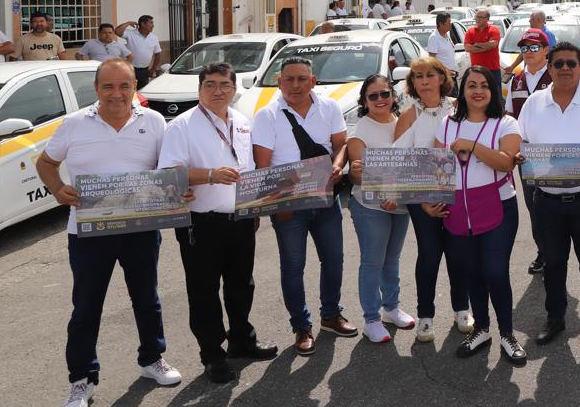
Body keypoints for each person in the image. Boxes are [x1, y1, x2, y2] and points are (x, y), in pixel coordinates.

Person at [36, 59, 180, 407]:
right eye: (108, 87)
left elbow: (168, 169)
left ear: (136, 87)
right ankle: (82, 377)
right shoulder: (73, 124)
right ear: (96, 89)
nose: (117, 94)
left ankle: (152, 359)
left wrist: (176, 191)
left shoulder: (154, 122)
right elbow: (45, 163)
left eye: (125, 86)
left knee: (146, 298)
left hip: (141, 228)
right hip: (88, 232)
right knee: (87, 306)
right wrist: (57, 190)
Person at [158, 61, 277, 384]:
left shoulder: (241, 121)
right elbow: (169, 174)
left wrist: (252, 210)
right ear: (199, 89)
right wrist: (209, 175)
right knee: (204, 292)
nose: (217, 91)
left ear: (234, 88)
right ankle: (212, 354)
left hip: (239, 218)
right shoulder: (181, 126)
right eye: (210, 84)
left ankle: (242, 339)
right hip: (200, 223)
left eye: (224, 84)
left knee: (242, 284)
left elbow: (249, 167)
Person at [252, 57, 355, 355]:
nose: (295, 85)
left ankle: (331, 314)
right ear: (280, 82)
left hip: (326, 198)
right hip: (289, 205)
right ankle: (301, 326)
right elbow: (263, 166)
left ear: (313, 81)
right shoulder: (266, 116)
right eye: (289, 79)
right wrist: (275, 205)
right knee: (293, 267)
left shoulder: (330, 108)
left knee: (334, 259)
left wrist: (338, 166)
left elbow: (341, 145)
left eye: (302, 79)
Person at [518, 42, 580, 347]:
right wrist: (519, 156)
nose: (564, 68)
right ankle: (556, 318)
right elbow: (519, 142)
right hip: (546, 200)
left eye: (570, 63)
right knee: (554, 262)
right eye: (558, 63)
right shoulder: (534, 103)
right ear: (549, 68)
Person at [433, 66, 527, 364]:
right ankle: (482, 329)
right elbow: (436, 169)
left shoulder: (505, 123)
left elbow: (505, 163)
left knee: (495, 272)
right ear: (462, 90)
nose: (477, 90)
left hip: (497, 206)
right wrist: (427, 203)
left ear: (492, 91)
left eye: (484, 85)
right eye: (471, 85)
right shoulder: (446, 124)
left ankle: (508, 335)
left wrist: (471, 147)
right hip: (457, 208)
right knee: (471, 272)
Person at [393, 56, 473, 341]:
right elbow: (400, 163)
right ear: (412, 83)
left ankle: (462, 308)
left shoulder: (458, 109)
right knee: (429, 254)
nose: (424, 80)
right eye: (418, 76)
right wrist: (425, 200)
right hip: (421, 200)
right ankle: (425, 316)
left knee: (458, 253)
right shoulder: (408, 114)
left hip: (457, 195)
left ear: (442, 78)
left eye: (429, 75)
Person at [345, 75, 416, 344]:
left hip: (400, 204)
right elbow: (358, 176)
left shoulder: (403, 124)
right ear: (364, 101)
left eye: (384, 94)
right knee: (372, 262)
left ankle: (391, 308)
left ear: (394, 96)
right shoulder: (360, 130)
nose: (380, 100)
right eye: (372, 96)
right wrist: (355, 173)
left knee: (392, 260)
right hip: (370, 205)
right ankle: (371, 319)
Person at [508, 29, 553, 275]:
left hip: (555, 157)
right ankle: (543, 252)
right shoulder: (516, 79)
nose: (528, 52)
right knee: (534, 207)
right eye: (524, 48)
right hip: (526, 158)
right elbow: (509, 117)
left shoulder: (557, 76)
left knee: (554, 208)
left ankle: (556, 254)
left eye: (534, 48)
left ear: (546, 51)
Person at [502, 11, 557, 79]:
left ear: (539, 20)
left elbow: (553, 55)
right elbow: (523, 53)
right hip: (529, 73)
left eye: (531, 18)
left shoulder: (548, 35)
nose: (529, 21)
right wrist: (512, 67)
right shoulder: (528, 34)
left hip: (542, 75)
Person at [117, 16, 161, 86]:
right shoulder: (131, 34)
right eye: (151, 23)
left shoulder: (154, 37)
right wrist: (128, 23)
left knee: (142, 91)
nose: (153, 25)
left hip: (145, 71)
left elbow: (158, 54)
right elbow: (117, 31)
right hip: (130, 69)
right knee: (130, 89)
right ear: (143, 24)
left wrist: (153, 68)